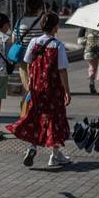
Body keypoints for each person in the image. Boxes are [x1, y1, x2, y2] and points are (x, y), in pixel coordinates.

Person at [8, 12, 72, 168]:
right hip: (53, 90)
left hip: (37, 88)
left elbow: (28, 62)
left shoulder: (35, 42)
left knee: (36, 116)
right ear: (56, 27)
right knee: (55, 119)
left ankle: (32, 147)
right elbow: (62, 70)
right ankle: (54, 155)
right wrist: (67, 91)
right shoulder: (58, 45)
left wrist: (31, 79)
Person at [13, 0, 47, 93]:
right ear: (40, 9)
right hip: (39, 59)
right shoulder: (43, 22)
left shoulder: (20, 21)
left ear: (27, 8)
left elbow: (14, 39)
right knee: (38, 86)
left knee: (27, 88)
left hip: (23, 58)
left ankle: (27, 105)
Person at [83, 26, 99, 94]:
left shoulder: (89, 25)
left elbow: (82, 39)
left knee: (92, 67)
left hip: (90, 47)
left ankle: (91, 82)